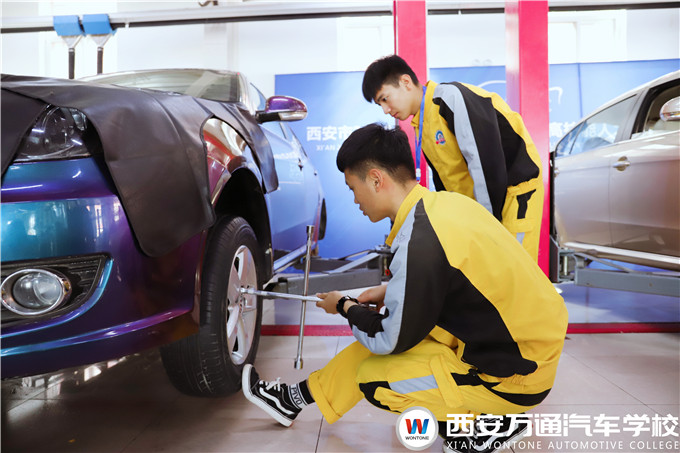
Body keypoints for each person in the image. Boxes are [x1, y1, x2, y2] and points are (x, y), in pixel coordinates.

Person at [242, 124, 568, 453]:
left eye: (353, 188)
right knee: (384, 337)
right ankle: (292, 400)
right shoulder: (444, 206)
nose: (355, 200)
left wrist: (344, 306)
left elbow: (387, 339)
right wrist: (390, 291)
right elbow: (462, 277)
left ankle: (486, 425)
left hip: (514, 375)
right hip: (527, 349)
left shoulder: (421, 239)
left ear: (376, 179)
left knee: (374, 376)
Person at [362, 54, 544, 262]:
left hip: (514, 194)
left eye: (385, 99)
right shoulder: (422, 122)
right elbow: (446, 180)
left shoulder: (449, 98)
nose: (385, 110)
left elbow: (484, 163)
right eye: (380, 105)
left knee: (515, 267)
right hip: (481, 209)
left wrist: (487, 226)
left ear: (405, 82)